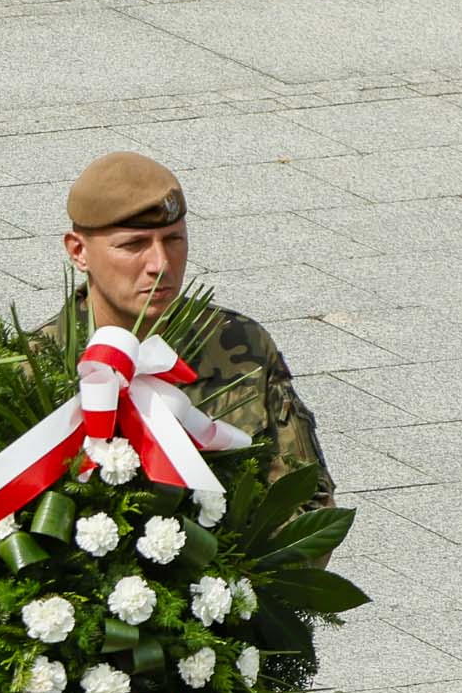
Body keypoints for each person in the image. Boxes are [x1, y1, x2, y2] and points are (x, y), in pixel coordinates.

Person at [29, 153, 333, 497]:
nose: (160, 264)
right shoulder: (33, 369)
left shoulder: (239, 344)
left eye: (173, 239)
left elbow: (305, 497)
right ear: (78, 251)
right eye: (134, 245)